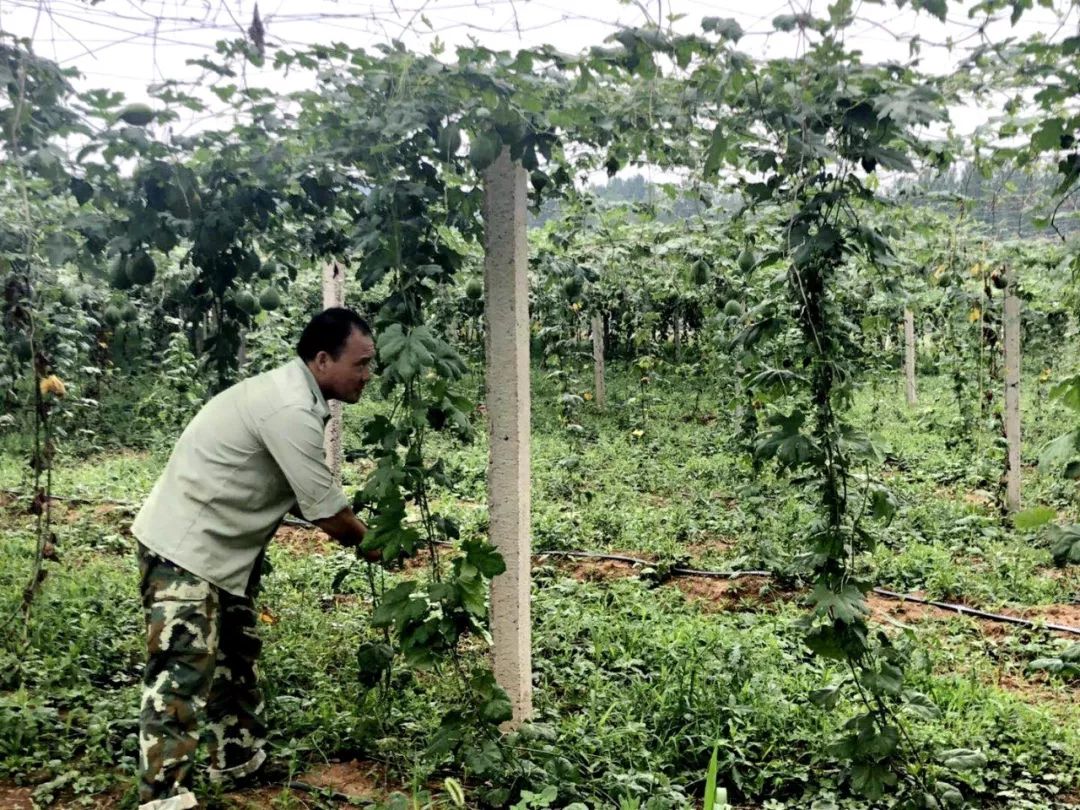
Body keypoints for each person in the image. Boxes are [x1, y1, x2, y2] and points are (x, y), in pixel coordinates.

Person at [131, 307, 378, 810]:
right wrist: (383, 545)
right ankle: (162, 797)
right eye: (361, 364)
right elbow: (327, 513)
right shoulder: (288, 408)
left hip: (221, 550)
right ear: (323, 360)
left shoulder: (295, 396)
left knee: (235, 654)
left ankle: (238, 760)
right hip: (185, 550)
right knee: (182, 669)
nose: (367, 376)